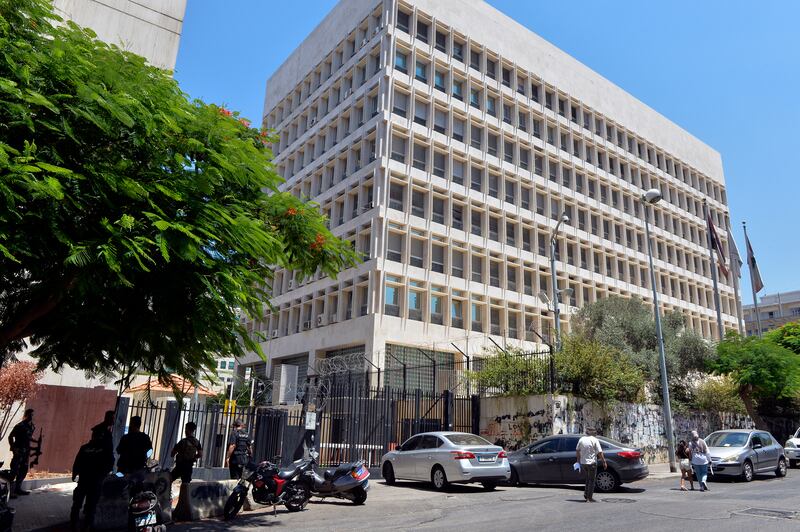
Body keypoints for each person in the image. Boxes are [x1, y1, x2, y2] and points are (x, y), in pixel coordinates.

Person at [70, 428, 114, 532]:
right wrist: (103, 475)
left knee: (80, 505)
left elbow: (77, 462)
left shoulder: (85, 448)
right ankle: (84, 526)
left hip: (86, 481)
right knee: (89, 506)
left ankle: (77, 525)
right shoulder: (105, 449)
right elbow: (110, 464)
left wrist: (75, 474)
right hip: (94, 482)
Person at [8, 408, 35, 497]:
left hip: (26, 452)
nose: (31, 417)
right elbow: (10, 437)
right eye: (30, 415)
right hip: (18, 452)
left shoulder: (31, 426)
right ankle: (9, 492)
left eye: (33, 415)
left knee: (23, 471)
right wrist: (13, 448)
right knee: (14, 471)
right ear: (26, 415)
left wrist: (37, 441)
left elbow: (29, 437)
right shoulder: (20, 426)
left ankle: (18, 489)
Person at [575, 427, 607, 503]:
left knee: (588, 479)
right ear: (592, 433)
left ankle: (586, 495)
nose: (595, 433)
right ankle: (589, 498)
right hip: (592, 463)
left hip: (583, 463)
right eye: (594, 431)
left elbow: (577, 450)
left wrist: (578, 461)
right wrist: (604, 462)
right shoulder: (594, 440)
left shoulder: (581, 439)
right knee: (592, 480)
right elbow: (600, 452)